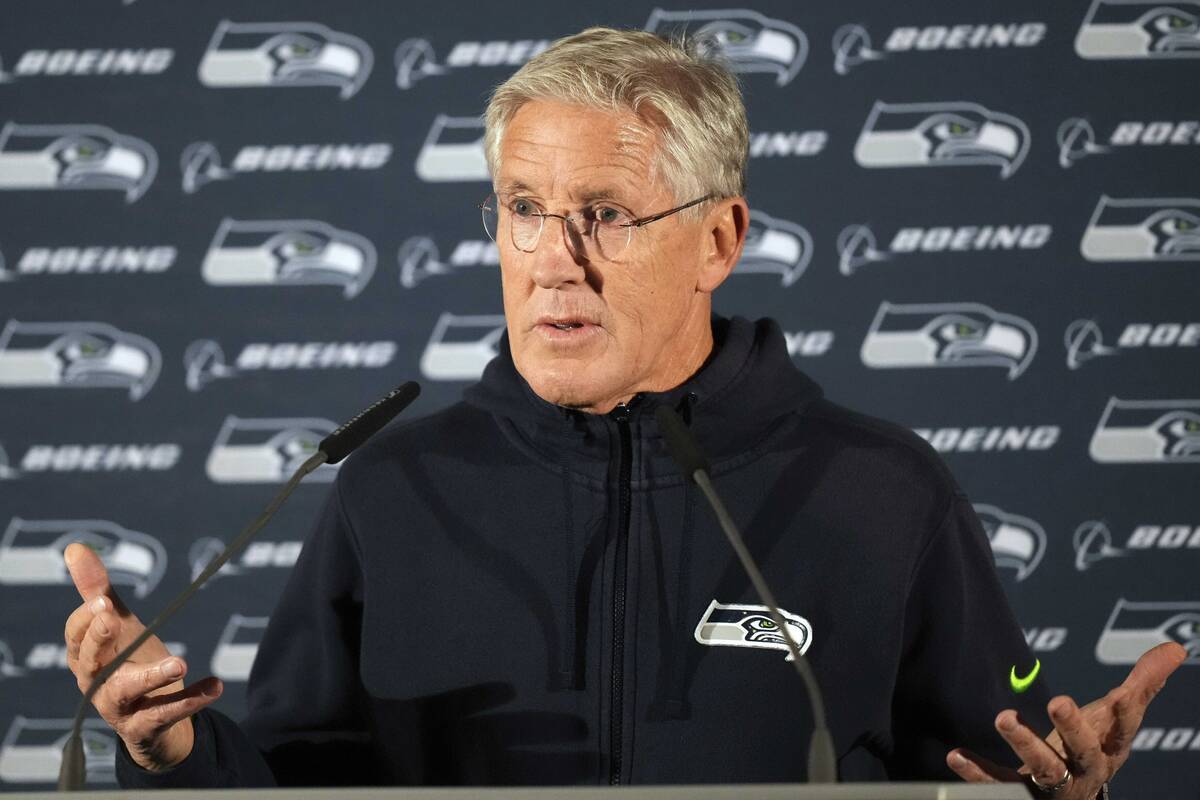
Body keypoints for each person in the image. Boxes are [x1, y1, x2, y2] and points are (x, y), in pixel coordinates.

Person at [62, 27, 1184, 794]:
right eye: (524, 209)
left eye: (604, 212)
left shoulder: (884, 491)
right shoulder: (392, 491)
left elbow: (1006, 755)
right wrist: (175, 749)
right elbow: (290, 784)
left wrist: (1060, 783)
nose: (554, 260)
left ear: (718, 240)